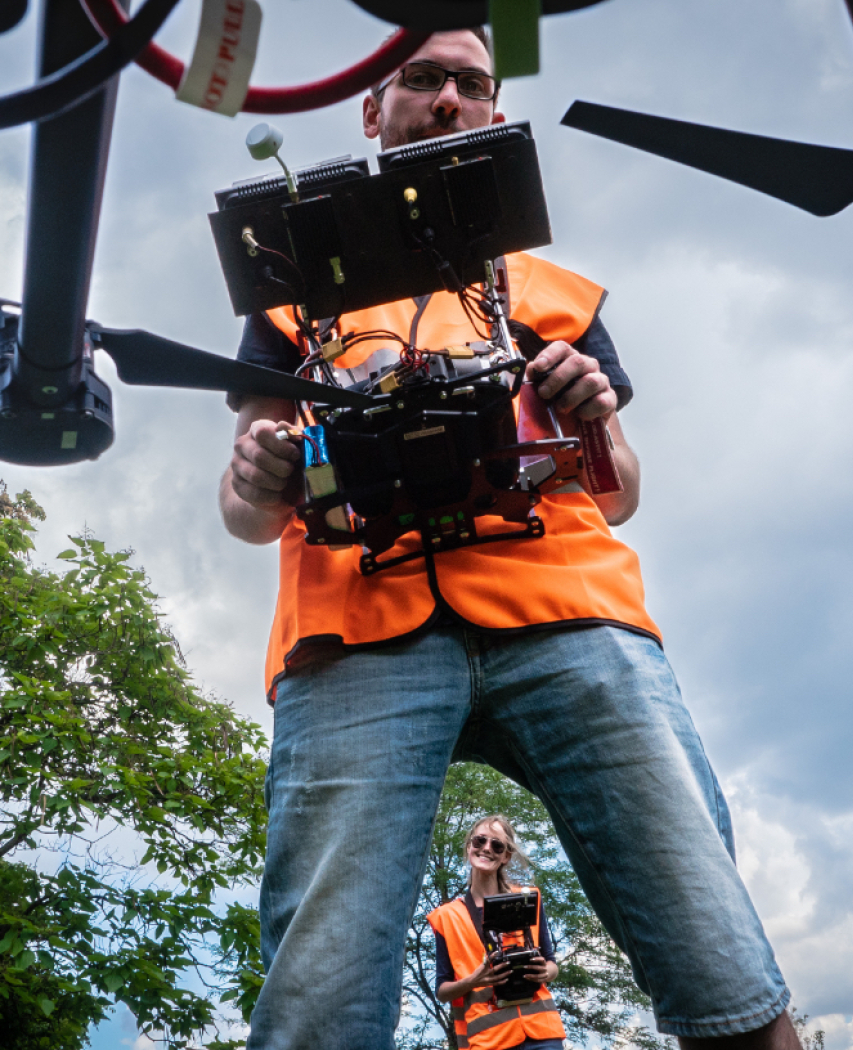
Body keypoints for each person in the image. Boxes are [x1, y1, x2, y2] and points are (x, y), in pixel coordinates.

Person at [219, 26, 800, 1050]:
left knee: (709, 935)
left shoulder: (550, 294)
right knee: (319, 989)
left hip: (565, 610)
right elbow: (246, 511)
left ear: (495, 110)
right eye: (422, 78)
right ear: (372, 108)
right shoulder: (289, 294)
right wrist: (257, 473)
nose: (448, 99)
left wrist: (592, 415)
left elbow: (620, 494)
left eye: (471, 83)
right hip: (356, 630)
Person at [430, 816, 565, 1050]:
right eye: (479, 841)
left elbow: (552, 964)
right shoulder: (446, 916)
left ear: (506, 856)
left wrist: (545, 971)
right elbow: (442, 991)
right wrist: (473, 980)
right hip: (488, 1041)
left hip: (542, 1034)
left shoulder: (528, 899)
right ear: (469, 847)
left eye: (497, 845)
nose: (486, 848)